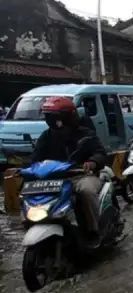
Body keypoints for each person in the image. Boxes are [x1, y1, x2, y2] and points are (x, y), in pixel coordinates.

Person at [32, 96, 108, 247]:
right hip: (55, 178)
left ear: (66, 117)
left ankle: (93, 231)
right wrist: (23, 169)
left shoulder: (85, 134)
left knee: (85, 191)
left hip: (82, 175)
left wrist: (92, 162)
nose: (52, 121)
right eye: (49, 117)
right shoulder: (46, 136)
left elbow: (100, 153)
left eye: (55, 117)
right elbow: (35, 157)